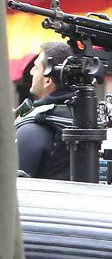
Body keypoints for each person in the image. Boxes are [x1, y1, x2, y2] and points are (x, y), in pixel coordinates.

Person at [15, 41, 75, 180]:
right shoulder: (89, 120)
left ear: (48, 80)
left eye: (36, 67)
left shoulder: (32, 128)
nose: (31, 72)